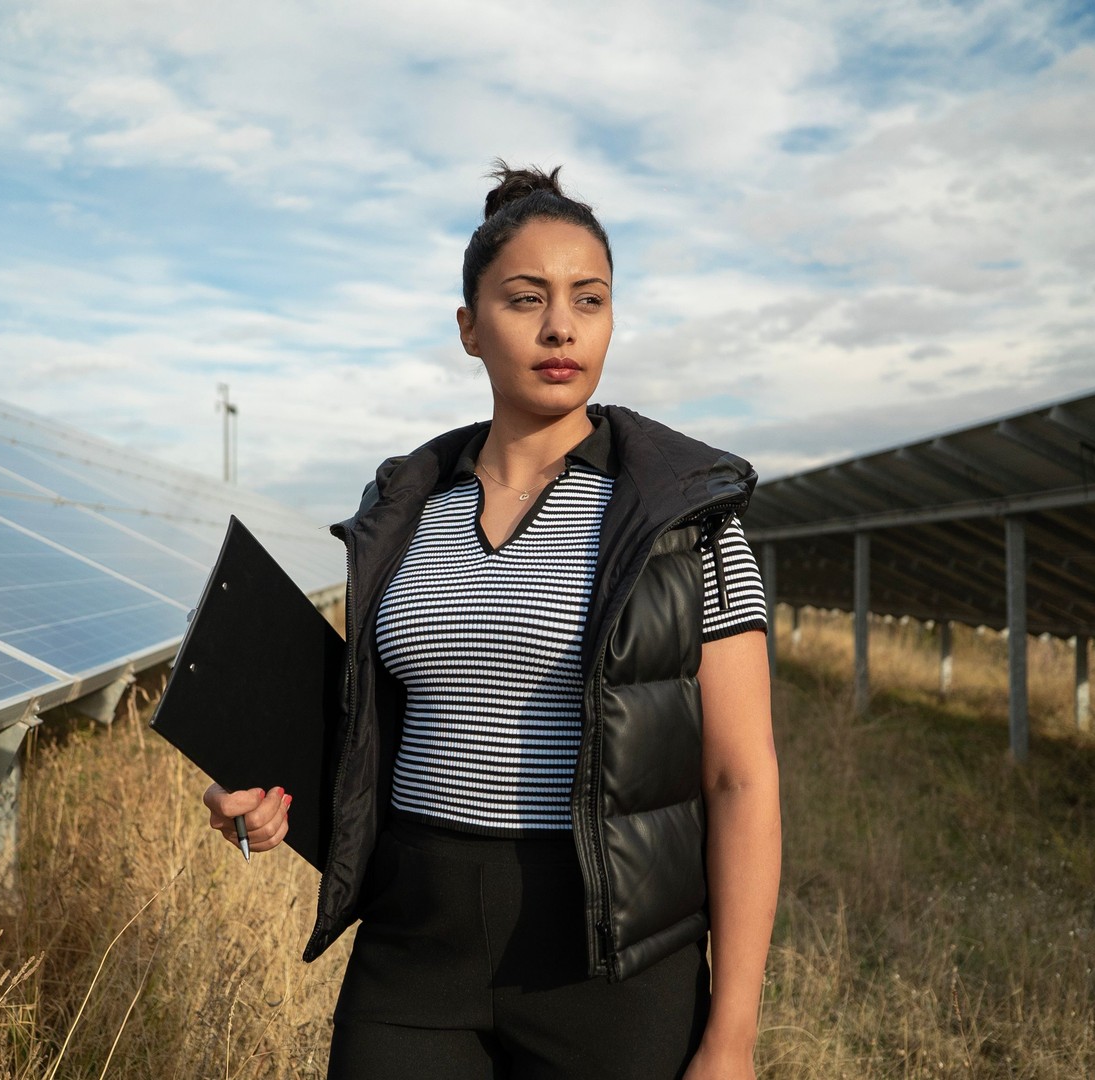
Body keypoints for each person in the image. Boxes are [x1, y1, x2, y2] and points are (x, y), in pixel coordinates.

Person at [203, 162, 782, 1080]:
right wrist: (262, 796)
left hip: (611, 964)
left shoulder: (685, 519)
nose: (561, 326)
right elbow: (373, 728)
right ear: (469, 329)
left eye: (588, 300)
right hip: (412, 945)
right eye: (525, 299)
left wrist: (733, 1036)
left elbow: (741, 780)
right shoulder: (402, 509)